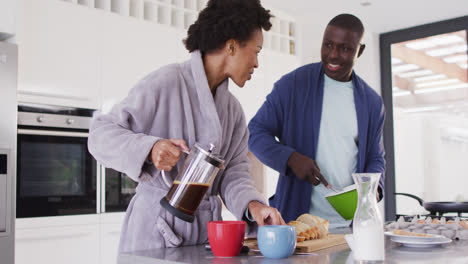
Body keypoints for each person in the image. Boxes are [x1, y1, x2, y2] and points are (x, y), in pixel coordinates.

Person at [88, 0, 285, 252]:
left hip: (205, 237)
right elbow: (99, 134)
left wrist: (254, 206)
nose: (257, 63)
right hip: (154, 236)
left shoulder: (233, 110)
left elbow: (234, 173)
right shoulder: (166, 82)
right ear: (232, 46)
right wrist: (150, 148)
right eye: (256, 51)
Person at [248, 14, 385, 228]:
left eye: (345, 48)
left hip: (351, 226)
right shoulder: (292, 85)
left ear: (361, 50)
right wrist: (291, 158)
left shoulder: (372, 103)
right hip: (297, 226)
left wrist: (373, 188)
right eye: (327, 45)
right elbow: (255, 132)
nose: (333, 55)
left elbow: (375, 157)